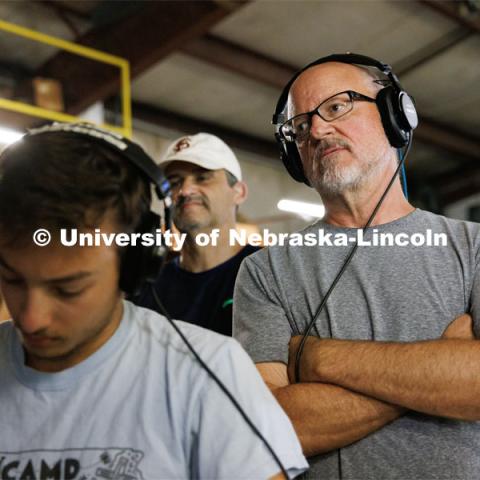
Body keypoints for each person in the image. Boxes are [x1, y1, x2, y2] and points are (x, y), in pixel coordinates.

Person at [0, 123, 308, 479]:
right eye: (12, 280)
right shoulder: (153, 286)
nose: (33, 319)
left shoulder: (262, 281)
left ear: (131, 267)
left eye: (69, 289)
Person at [233, 53, 480, 479]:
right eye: (301, 124)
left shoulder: (473, 247)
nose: (318, 129)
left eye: (336, 106)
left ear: (394, 115)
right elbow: (269, 427)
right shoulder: (264, 272)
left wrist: (320, 360)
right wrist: (438, 373)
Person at [134, 132, 259, 336]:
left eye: (202, 177)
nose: (185, 190)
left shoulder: (268, 275)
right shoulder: (148, 290)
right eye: (174, 182)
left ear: (239, 192)